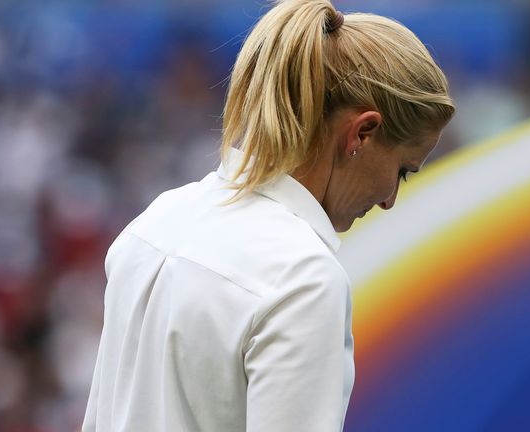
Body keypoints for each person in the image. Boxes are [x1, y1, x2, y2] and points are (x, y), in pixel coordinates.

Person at [82, 0, 454, 431]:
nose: (390, 199)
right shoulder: (303, 280)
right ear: (362, 133)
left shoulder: (156, 221)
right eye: (403, 172)